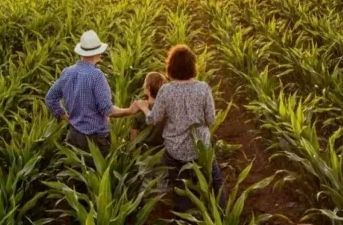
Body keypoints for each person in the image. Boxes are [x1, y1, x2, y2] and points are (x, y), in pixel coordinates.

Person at [136, 44, 227, 212]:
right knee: (216, 181)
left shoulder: (166, 91)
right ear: (193, 66)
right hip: (201, 149)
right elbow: (211, 119)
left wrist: (144, 108)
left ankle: (184, 218)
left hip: (175, 151)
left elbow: (154, 119)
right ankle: (221, 215)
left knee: (180, 188)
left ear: (171, 67)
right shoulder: (203, 88)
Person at [45, 30, 138, 159]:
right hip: (95, 141)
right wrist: (130, 111)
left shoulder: (67, 72)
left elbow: (50, 98)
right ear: (98, 53)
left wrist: (63, 116)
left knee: (77, 175)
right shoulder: (96, 76)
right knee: (98, 175)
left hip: (73, 135)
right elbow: (107, 110)